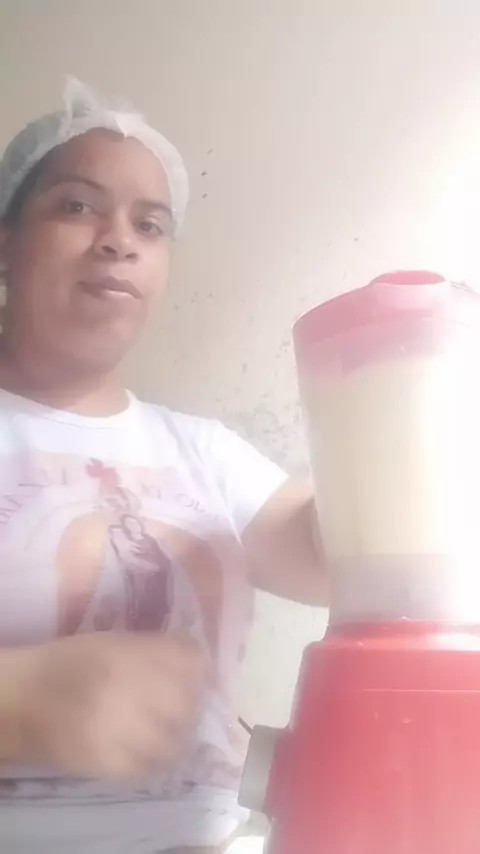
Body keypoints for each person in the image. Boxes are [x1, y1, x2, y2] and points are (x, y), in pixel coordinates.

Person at [0, 79, 327, 853]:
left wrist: (397, 396)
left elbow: (340, 558)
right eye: (78, 206)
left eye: (150, 224)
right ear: (5, 242)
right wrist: (15, 698)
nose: (120, 240)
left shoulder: (201, 451)